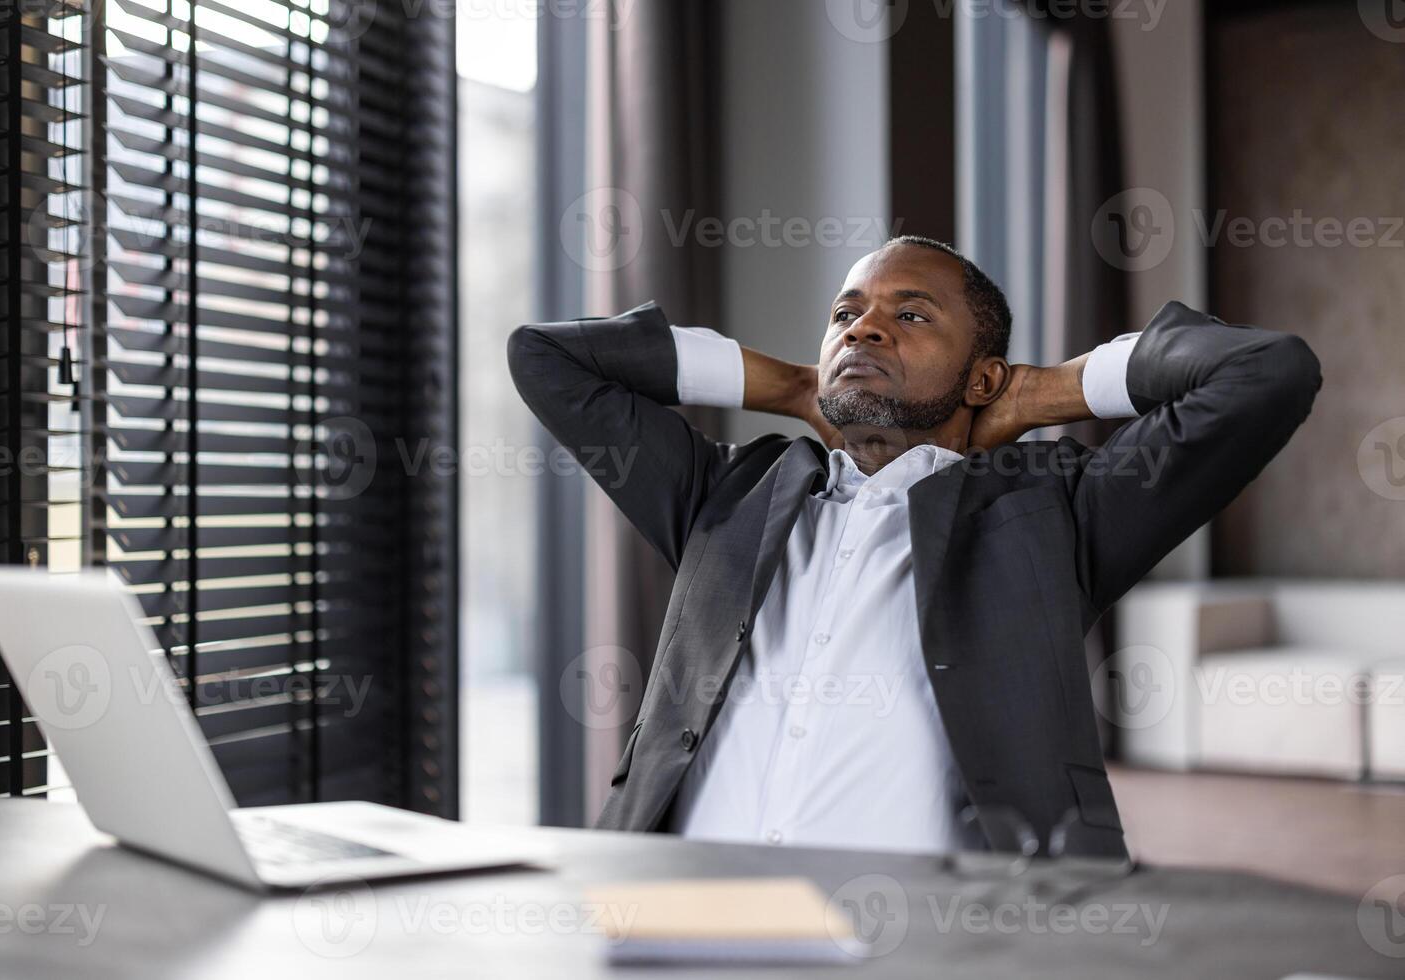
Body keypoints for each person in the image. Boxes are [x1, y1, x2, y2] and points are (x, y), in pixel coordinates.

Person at [507, 235, 1321, 858]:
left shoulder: (1052, 513)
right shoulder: (723, 494)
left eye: (910, 314)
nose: (863, 329)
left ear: (980, 379)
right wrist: (796, 386)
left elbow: (1266, 374)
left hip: (938, 950)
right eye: (844, 315)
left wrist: (1049, 391)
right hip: (680, 928)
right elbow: (546, 356)